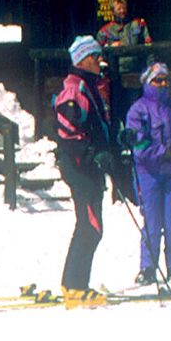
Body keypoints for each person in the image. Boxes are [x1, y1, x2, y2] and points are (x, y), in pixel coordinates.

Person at [52, 36, 121, 300]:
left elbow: (94, 126)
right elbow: (67, 131)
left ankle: (73, 283)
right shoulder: (76, 88)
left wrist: (113, 143)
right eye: (96, 57)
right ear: (83, 59)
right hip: (79, 166)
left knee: (89, 225)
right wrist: (92, 154)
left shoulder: (89, 86)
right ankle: (75, 286)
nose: (100, 62)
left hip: (88, 165)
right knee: (91, 225)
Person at [123, 58, 171, 287]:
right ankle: (148, 268)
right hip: (149, 174)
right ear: (148, 82)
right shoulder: (138, 110)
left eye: (166, 79)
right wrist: (167, 152)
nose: (163, 84)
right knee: (153, 222)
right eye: (157, 80)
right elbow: (139, 146)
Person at [95, 0, 152, 115]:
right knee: (117, 109)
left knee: (136, 107)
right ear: (112, 11)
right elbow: (97, 54)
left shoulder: (138, 25)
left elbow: (149, 48)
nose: (122, 11)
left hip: (135, 73)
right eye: (118, 9)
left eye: (123, 8)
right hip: (114, 77)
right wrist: (110, 46)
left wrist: (150, 68)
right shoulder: (105, 31)